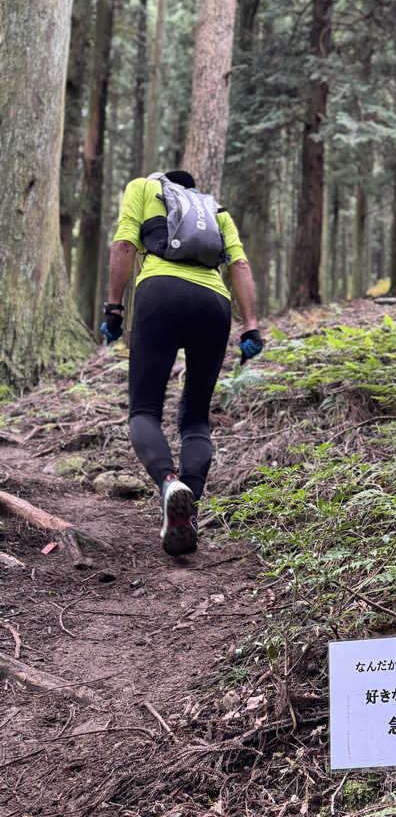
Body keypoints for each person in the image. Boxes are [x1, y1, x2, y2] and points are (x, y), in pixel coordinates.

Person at [100, 170, 263, 557]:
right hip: (213, 303)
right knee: (195, 419)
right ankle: (188, 514)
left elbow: (124, 245)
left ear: (167, 182)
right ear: (192, 190)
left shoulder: (144, 186)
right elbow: (239, 267)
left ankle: (170, 482)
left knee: (144, 412)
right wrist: (251, 327)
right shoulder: (216, 211)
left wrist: (114, 308)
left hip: (160, 294)